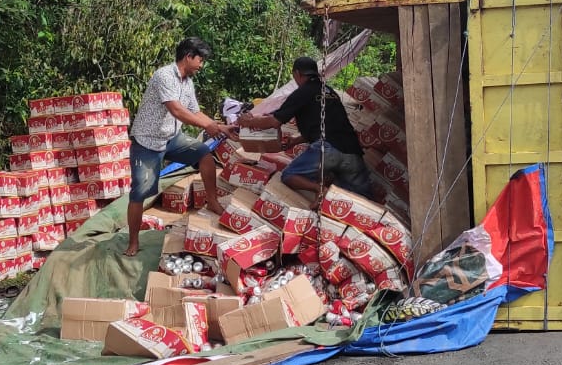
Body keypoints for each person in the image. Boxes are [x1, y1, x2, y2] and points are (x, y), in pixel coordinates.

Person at [125, 38, 232, 256]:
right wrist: (209, 126)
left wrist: (220, 127)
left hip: (172, 138)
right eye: (200, 60)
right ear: (188, 56)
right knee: (139, 193)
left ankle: (212, 201)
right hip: (148, 141)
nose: (201, 65)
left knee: (205, 156)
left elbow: (194, 111)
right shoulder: (164, 75)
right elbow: (177, 110)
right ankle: (133, 242)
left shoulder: (187, 82)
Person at [236, 56, 380, 200]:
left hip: (327, 150)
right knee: (363, 201)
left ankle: (319, 189)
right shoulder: (330, 92)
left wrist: (248, 122)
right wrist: (295, 140)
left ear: (297, 74)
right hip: (352, 152)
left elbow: (274, 122)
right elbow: (327, 125)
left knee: (289, 175)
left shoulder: (302, 93)